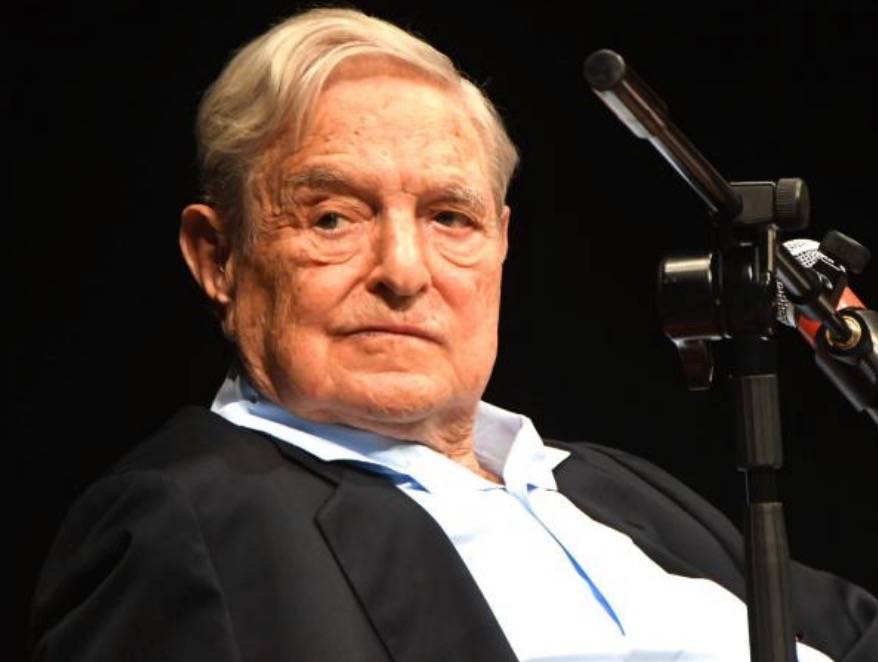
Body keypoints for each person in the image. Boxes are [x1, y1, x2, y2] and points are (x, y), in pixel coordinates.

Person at [28, 8, 877, 661]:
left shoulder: (611, 488)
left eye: (449, 218)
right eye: (332, 217)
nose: (404, 271)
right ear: (219, 258)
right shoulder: (188, 522)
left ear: (501, 244)